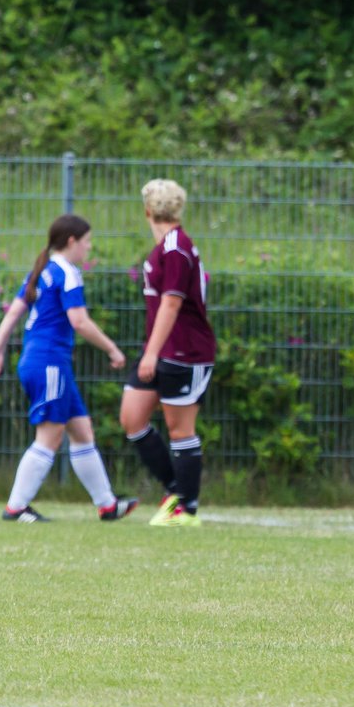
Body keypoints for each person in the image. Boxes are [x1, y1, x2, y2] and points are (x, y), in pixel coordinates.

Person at [0, 214, 138, 523]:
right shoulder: (68, 272)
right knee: (49, 437)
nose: (89, 248)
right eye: (87, 242)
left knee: (81, 431)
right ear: (72, 242)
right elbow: (79, 321)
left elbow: (14, 313)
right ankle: (16, 508)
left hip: (39, 361)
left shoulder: (41, 271)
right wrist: (112, 348)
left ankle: (107, 504)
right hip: (49, 363)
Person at [119, 179, 216, 528]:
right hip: (161, 350)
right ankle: (175, 488)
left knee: (180, 429)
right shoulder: (167, 247)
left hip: (184, 352)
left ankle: (186, 509)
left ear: (147, 211)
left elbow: (172, 304)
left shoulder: (176, 249)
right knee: (132, 418)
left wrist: (152, 353)